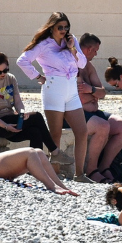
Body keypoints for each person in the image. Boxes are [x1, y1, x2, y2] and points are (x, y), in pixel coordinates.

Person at [17, 12, 91, 181]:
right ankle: (54, 174)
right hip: (53, 89)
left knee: (82, 131)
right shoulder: (43, 44)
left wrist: (72, 48)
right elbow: (22, 60)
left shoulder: (71, 41)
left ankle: (79, 174)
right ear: (51, 27)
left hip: (71, 90)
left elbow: (82, 64)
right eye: (60, 27)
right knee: (55, 134)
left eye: (66, 27)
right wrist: (37, 77)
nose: (64, 30)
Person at [76, 33, 122, 182]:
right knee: (102, 126)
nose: (96, 54)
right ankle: (91, 170)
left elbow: (102, 92)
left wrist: (92, 91)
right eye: (95, 50)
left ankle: (104, 167)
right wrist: (93, 94)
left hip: (94, 112)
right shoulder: (73, 65)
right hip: (75, 114)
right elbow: (80, 98)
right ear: (89, 49)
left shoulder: (88, 67)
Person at [0, 50, 55, 153]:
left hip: (9, 120)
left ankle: (37, 165)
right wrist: (6, 126)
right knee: (37, 117)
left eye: (5, 70)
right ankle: (55, 151)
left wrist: (21, 113)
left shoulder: (11, 78)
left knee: (35, 132)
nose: (3, 74)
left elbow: (17, 101)